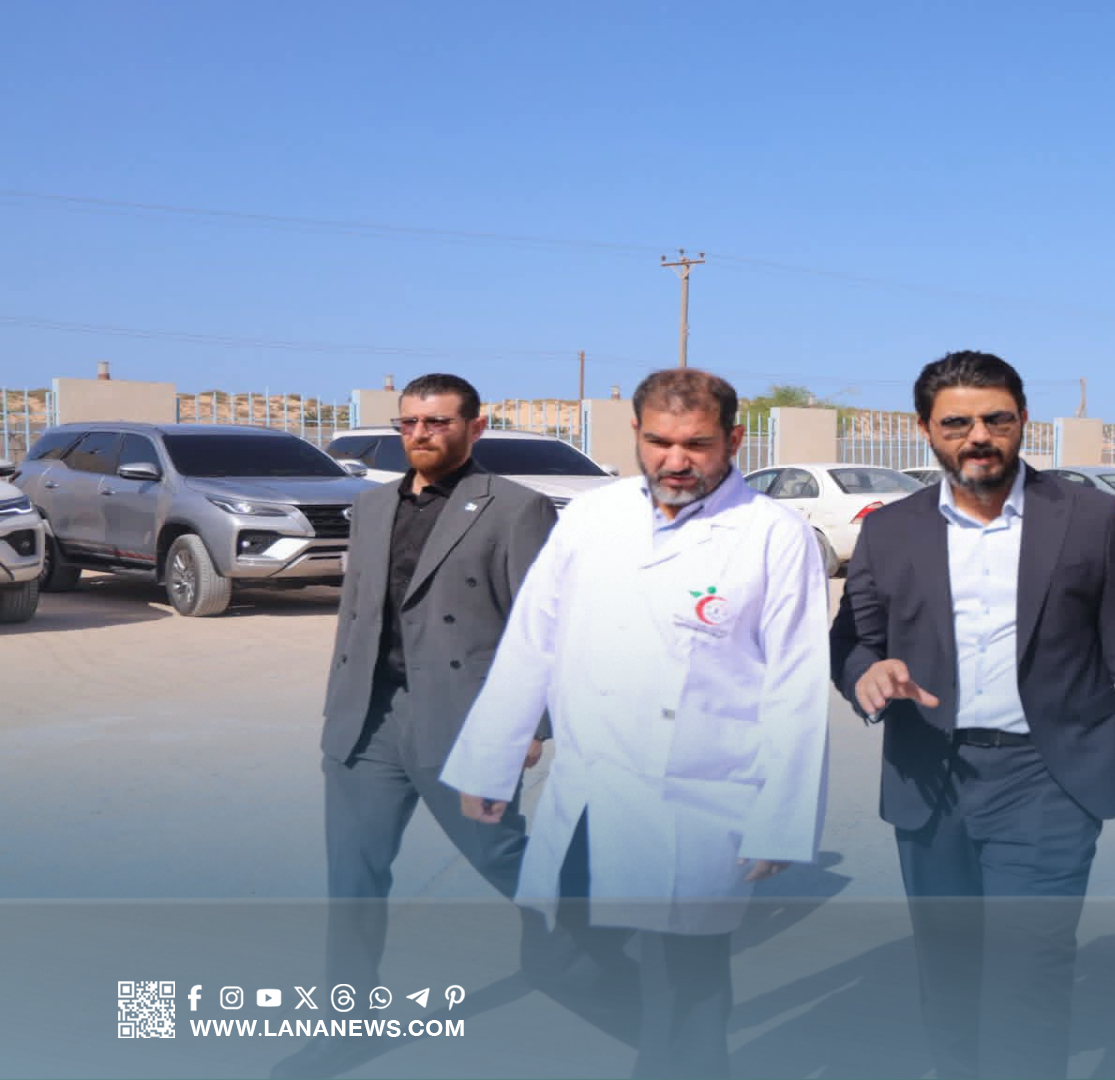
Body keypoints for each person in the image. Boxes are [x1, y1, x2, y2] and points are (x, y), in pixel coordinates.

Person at [441, 368, 830, 1078]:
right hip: (591, 789)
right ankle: (683, 1057)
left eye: (697, 444)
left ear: (734, 440)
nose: (675, 460)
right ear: (636, 435)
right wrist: (490, 757)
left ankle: (680, 1059)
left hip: (698, 797)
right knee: (555, 956)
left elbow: (795, 684)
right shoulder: (592, 518)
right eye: (659, 441)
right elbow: (533, 639)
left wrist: (783, 818)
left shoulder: (774, 535)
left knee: (685, 983)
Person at [829, 350, 1115, 1079]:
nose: (978, 437)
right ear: (925, 430)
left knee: (1029, 974)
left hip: (1046, 780)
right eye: (956, 423)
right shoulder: (890, 529)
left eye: (996, 419)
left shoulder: (1089, 520)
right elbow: (853, 639)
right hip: (930, 780)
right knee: (949, 972)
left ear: (1023, 420)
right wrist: (867, 673)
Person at [276, 373, 558, 1080]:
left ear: (475, 427)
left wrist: (533, 723)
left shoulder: (515, 508)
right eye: (408, 423)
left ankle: (585, 943)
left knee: (503, 859)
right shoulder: (371, 505)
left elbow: (545, 626)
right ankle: (346, 1027)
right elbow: (357, 613)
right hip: (367, 720)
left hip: (464, 721)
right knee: (354, 881)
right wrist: (338, 704)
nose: (420, 435)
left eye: (436, 422)